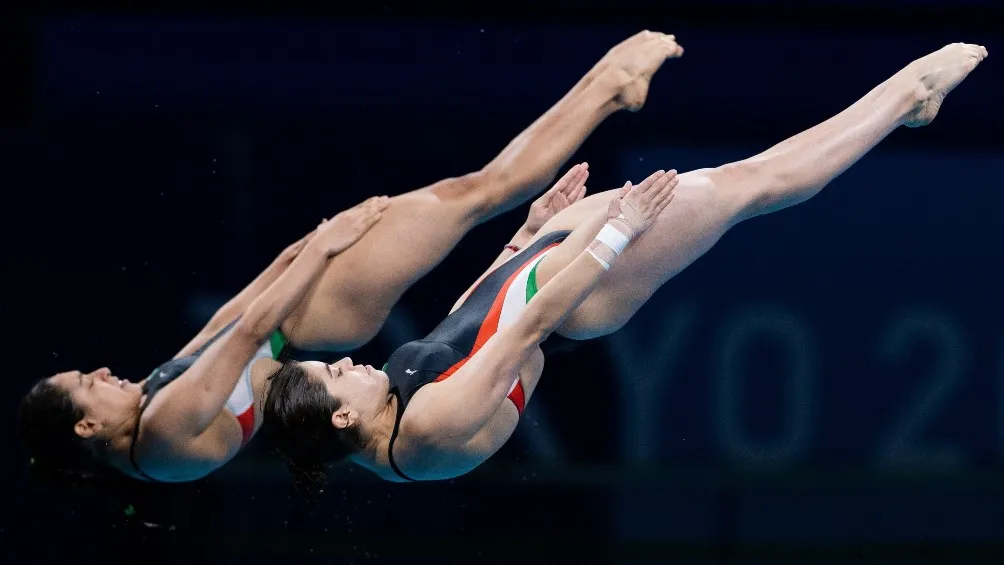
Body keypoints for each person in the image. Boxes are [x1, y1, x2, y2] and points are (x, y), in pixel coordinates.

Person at [262, 43, 988, 489]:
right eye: (335, 374)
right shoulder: (423, 439)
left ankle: (902, 101)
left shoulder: (392, 397)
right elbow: (527, 328)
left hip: (542, 270)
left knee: (739, 181)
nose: (349, 360)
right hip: (577, 298)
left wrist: (525, 233)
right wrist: (617, 236)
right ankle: (905, 99)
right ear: (344, 414)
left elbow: (465, 321)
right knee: (747, 186)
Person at [17, 31, 686, 484]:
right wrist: (323, 249)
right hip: (313, 321)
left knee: (475, 192)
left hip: (295, 307)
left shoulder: (149, 417)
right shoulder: (159, 440)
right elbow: (251, 332)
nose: (102, 370)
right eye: (86, 381)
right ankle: (608, 88)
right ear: (87, 425)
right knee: (482, 192)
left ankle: (608, 88)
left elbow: (223, 321)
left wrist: (290, 254)